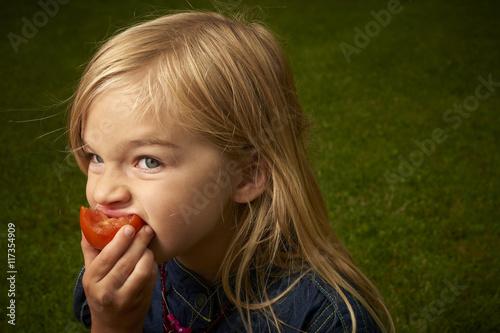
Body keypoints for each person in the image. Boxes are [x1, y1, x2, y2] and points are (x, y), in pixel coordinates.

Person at [70, 11, 394, 333]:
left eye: (149, 161)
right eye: (95, 156)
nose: (103, 193)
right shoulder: (115, 281)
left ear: (247, 174)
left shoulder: (325, 321)